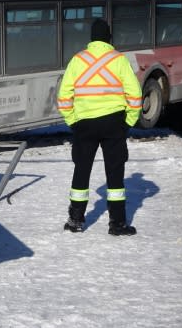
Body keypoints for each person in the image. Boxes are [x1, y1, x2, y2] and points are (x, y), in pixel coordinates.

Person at [56, 18, 142, 235]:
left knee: (81, 170)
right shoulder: (119, 60)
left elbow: (64, 95)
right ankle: (117, 224)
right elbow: (135, 94)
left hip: (84, 123)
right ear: (109, 37)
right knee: (115, 172)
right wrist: (128, 122)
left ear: (92, 38)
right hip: (114, 123)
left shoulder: (78, 60)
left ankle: (75, 220)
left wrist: (73, 120)